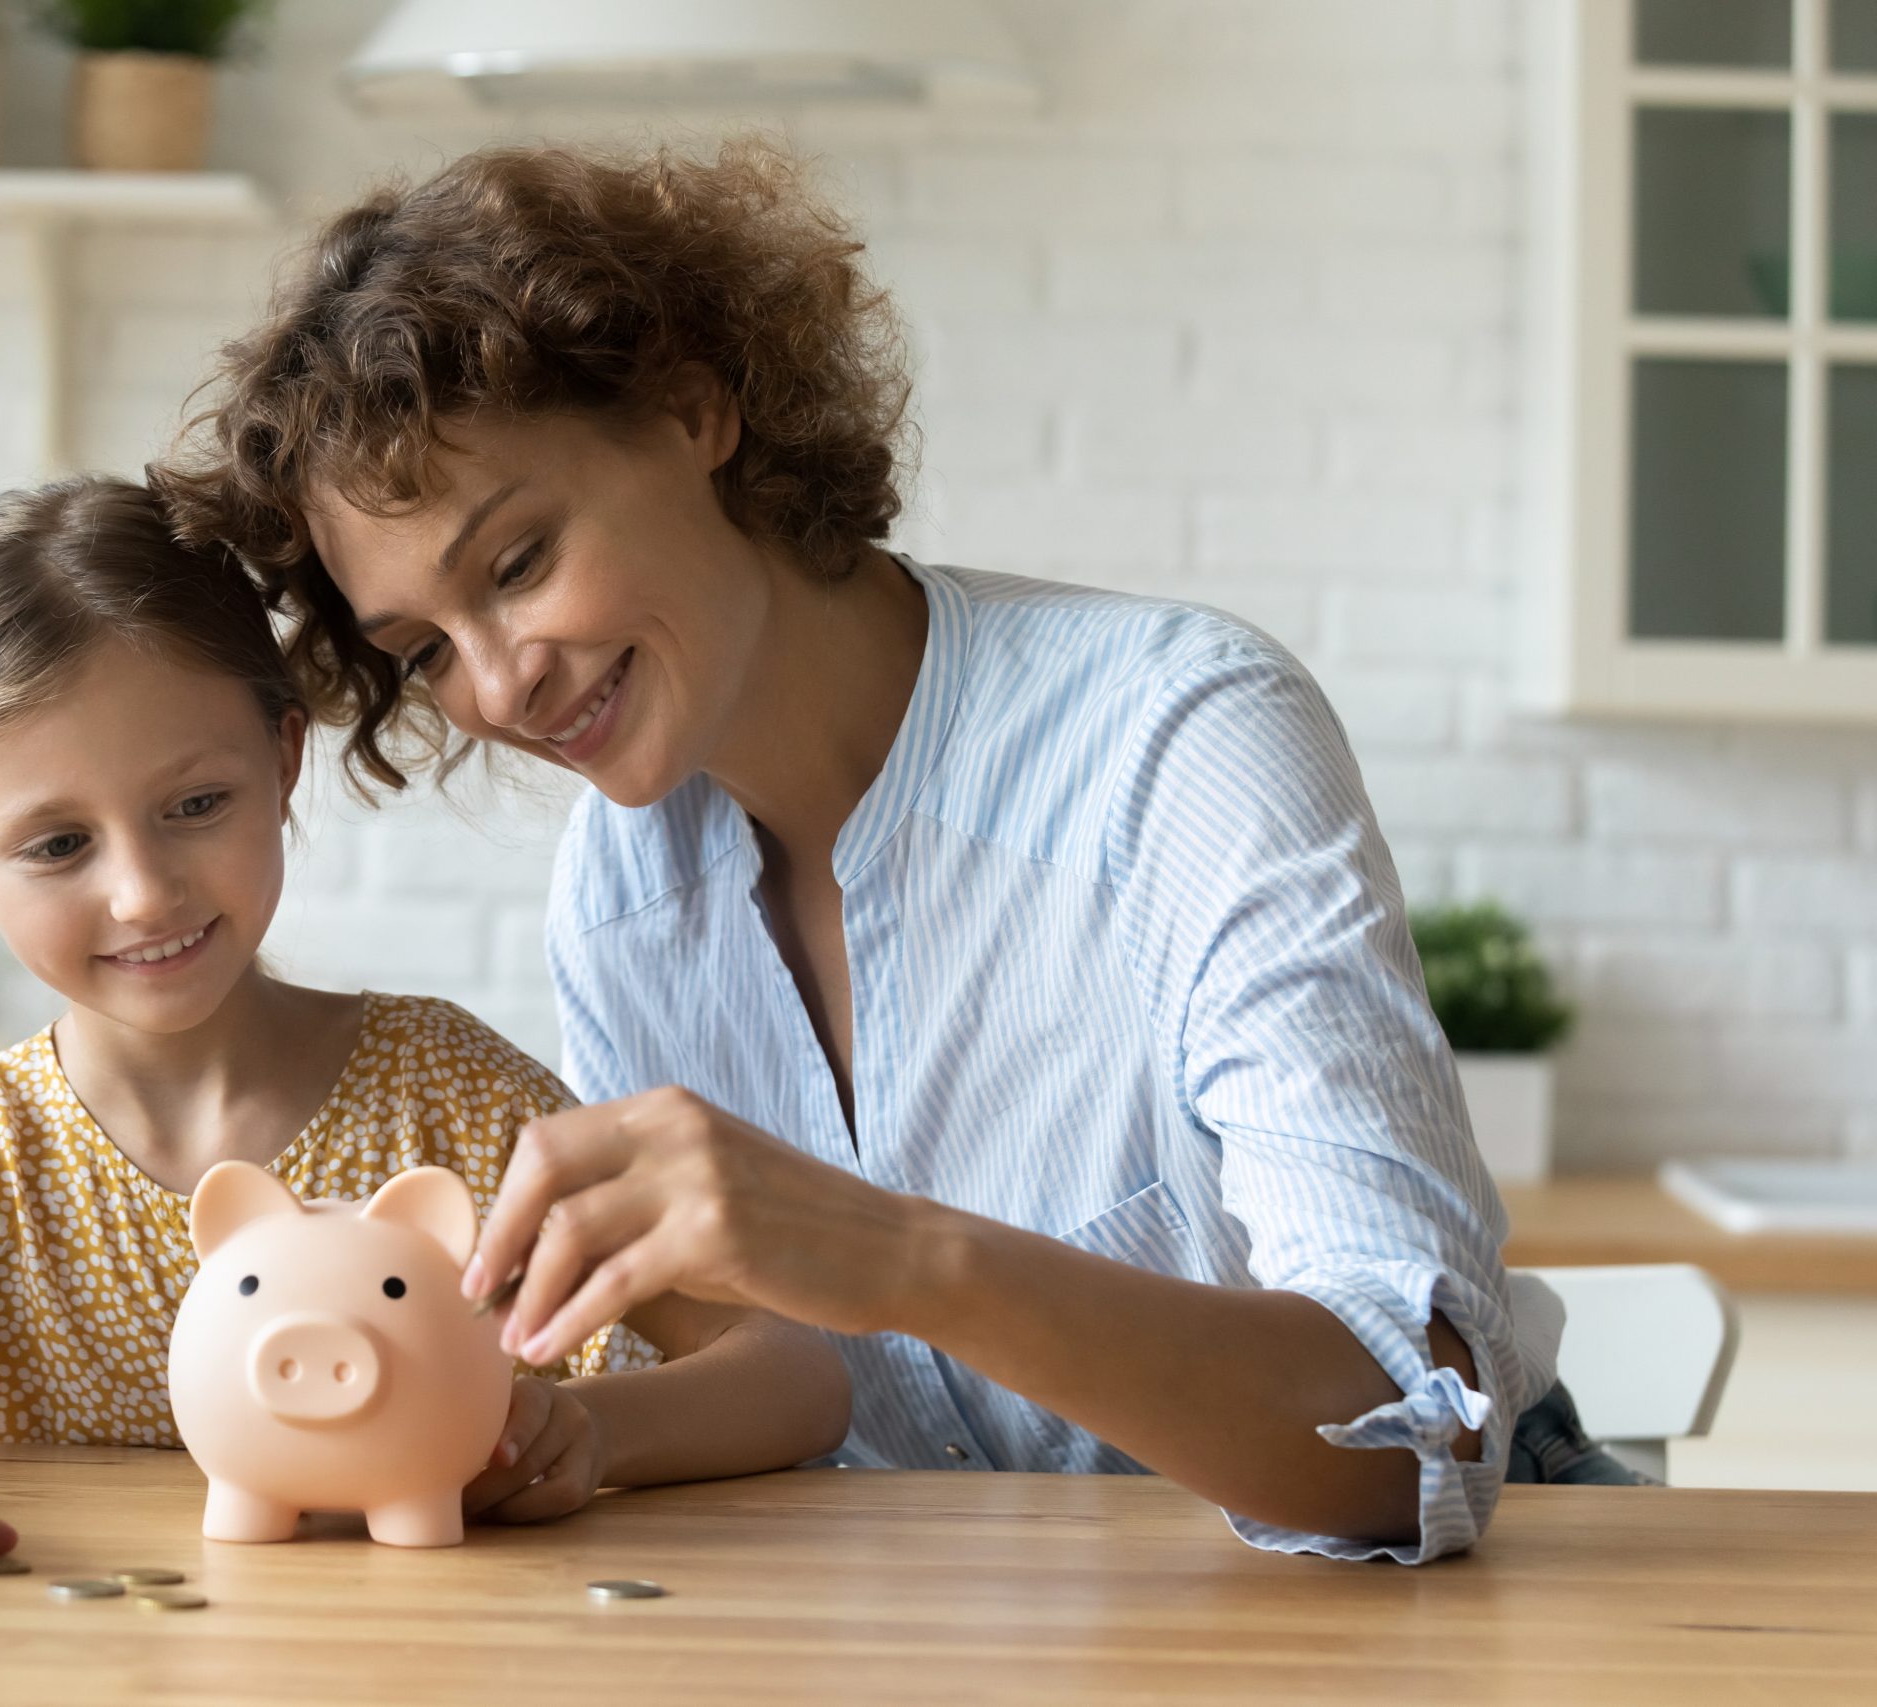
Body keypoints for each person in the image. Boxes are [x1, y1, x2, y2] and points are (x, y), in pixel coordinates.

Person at [160, 140, 1623, 1567]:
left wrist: (896, 1253)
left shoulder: (1176, 737)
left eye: (520, 561)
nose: (500, 685)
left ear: (693, 409)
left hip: (1440, 1603)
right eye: (426, 650)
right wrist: (579, 1425)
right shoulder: (623, 885)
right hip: (1007, 1613)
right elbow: (811, 1384)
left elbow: (1415, 1443)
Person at [0, 476, 850, 1570]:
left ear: (284, 760)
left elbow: (793, 1367)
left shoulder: (451, 1098)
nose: (143, 891)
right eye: (56, 845)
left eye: (196, 803)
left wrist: (591, 1429)